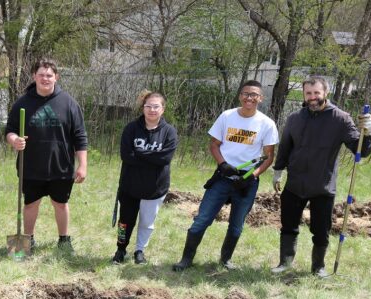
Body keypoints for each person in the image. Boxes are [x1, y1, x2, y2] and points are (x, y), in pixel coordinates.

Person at [271, 76, 371, 277]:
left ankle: (318, 267)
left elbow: (359, 149)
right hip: (294, 184)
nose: (312, 98)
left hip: (323, 186)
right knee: (288, 226)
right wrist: (278, 171)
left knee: (321, 231)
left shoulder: (340, 119)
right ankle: (285, 262)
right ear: (304, 94)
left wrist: (369, 133)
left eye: (316, 93)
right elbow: (285, 147)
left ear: (325, 93)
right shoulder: (295, 118)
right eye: (308, 93)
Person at [173, 80, 278, 271]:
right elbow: (214, 144)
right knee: (202, 219)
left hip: (247, 181)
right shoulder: (226, 116)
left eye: (254, 95)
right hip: (223, 176)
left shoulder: (267, 124)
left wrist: (252, 176)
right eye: (246, 94)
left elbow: (269, 157)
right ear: (240, 96)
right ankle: (186, 259)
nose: (249, 98)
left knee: (236, 225)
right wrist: (223, 164)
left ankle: (225, 260)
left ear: (260, 98)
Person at [6, 58, 87, 252]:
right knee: (31, 204)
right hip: (31, 166)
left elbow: (80, 136)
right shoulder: (22, 103)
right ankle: (28, 240)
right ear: (34, 76)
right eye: (41, 75)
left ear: (56, 77)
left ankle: (64, 240)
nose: (45, 78)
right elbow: (9, 130)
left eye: (49, 75)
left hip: (61, 167)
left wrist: (82, 165)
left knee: (60, 204)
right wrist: (14, 140)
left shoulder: (69, 103)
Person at [111, 91, 178, 264]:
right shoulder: (131, 129)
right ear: (143, 108)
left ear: (163, 109)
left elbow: (164, 159)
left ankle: (139, 251)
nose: (152, 110)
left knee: (147, 223)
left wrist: (140, 153)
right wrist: (152, 157)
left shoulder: (169, 132)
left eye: (156, 106)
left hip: (155, 188)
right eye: (148, 106)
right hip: (130, 186)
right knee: (125, 222)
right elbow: (127, 156)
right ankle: (120, 249)